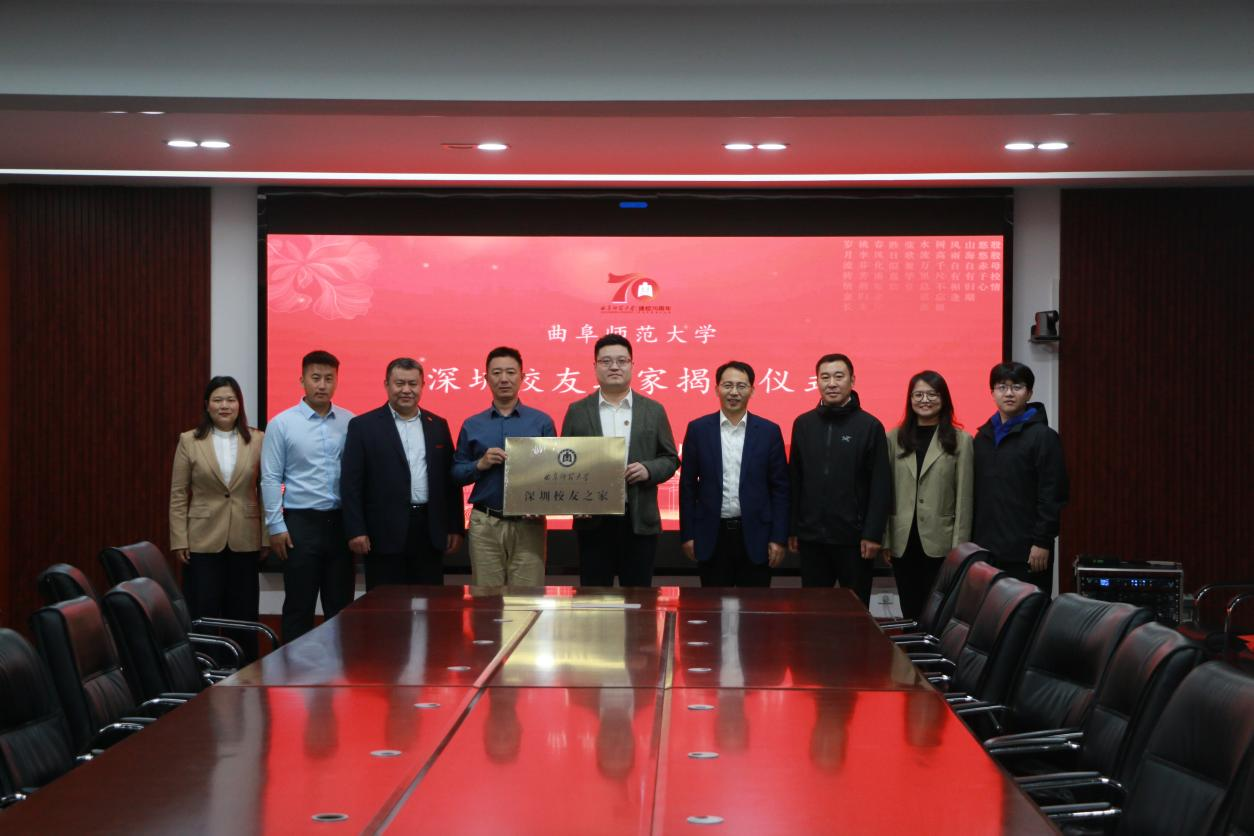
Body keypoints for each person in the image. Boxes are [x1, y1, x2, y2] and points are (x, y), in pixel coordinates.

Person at [560, 334, 679, 587]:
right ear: (595, 366)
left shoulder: (653, 410)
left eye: (621, 361)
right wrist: (572, 500)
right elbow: (564, 461)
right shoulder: (577, 411)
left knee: (638, 597)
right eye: (606, 361)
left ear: (632, 365)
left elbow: (670, 458)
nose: (614, 367)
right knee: (594, 598)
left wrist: (648, 469)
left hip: (639, 520)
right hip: (593, 520)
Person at [341, 357, 465, 589]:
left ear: (422, 386)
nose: (406, 390)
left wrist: (454, 527)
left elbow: (449, 483)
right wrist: (356, 530)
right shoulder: (363, 426)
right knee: (384, 604)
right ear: (386, 385)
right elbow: (351, 484)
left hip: (429, 530)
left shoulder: (438, 425)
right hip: (382, 533)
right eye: (399, 383)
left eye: (413, 384)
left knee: (429, 603)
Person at [260, 350, 356, 642]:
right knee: (299, 606)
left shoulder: (350, 422)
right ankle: (291, 668)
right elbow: (270, 477)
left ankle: (341, 668)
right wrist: (275, 525)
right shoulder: (282, 423)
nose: (322, 385)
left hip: (340, 524)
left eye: (329, 378)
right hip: (300, 524)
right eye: (315, 378)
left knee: (341, 607)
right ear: (302, 380)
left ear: (337, 381)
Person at [169, 375, 267, 657]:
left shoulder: (258, 439)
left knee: (243, 612)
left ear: (239, 404)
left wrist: (265, 537)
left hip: (245, 538)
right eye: (218, 400)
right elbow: (178, 493)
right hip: (202, 540)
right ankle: (206, 670)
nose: (225, 405)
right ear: (207, 405)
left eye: (231, 400)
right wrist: (179, 539)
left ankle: (245, 670)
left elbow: (266, 489)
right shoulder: (189, 440)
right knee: (203, 611)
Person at [788, 353, 891, 606]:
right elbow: (795, 480)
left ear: (852, 380)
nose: (831, 383)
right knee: (812, 612)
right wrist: (792, 528)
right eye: (825, 377)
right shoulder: (803, 424)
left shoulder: (869, 426)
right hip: (812, 539)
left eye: (838, 376)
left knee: (855, 612)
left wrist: (872, 534)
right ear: (817, 381)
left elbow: (880, 486)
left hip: (854, 541)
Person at [678, 360, 789, 587]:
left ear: (752, 390)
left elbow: (780, 488)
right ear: (716, 389)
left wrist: (778, 537)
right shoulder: (698, 429)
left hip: (757, 535)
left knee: (755, 606)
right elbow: (688, 486)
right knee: (713, 604)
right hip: (712, 535)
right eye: (728, 385)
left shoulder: (769, 431)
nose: (734, 392)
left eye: (741, 386)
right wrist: (687, 534)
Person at [452, 346, 556, 587]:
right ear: (486, 378)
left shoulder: (541, 422)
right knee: (486, 600)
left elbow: (554, 473)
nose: (504, 379)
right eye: (497, 373)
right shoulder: (472, 424)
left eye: (510, 372)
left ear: (523, 376)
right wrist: (480, 464)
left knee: (527, 599)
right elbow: (456, 473)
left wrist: (542, 504)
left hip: (529, 524)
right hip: (485, 523)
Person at [882, 370, 974, 619]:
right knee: (909, 609)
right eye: (918, 395)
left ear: (944, 399)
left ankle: (934, 647)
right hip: (903, 540)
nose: (925, 400)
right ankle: (911, 646)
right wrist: (886, 539)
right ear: (910, 399)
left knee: (938, 612)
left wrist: (960, 548)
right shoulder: (893, 438)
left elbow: (965, 498)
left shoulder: (961, 440)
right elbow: (885, 492)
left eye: (932, 394)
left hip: (941, 541)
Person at [973, 361, 1068, 595]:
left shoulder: (1043, 437)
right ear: (992, 393)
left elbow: (1052, 494)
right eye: (1002, 387)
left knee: (1027, 612)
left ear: (1029, 393)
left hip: (1027, 551)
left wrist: (1042, 542)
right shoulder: (982, 438)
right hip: (986, 550)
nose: (1009, 393)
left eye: (1017, 387)